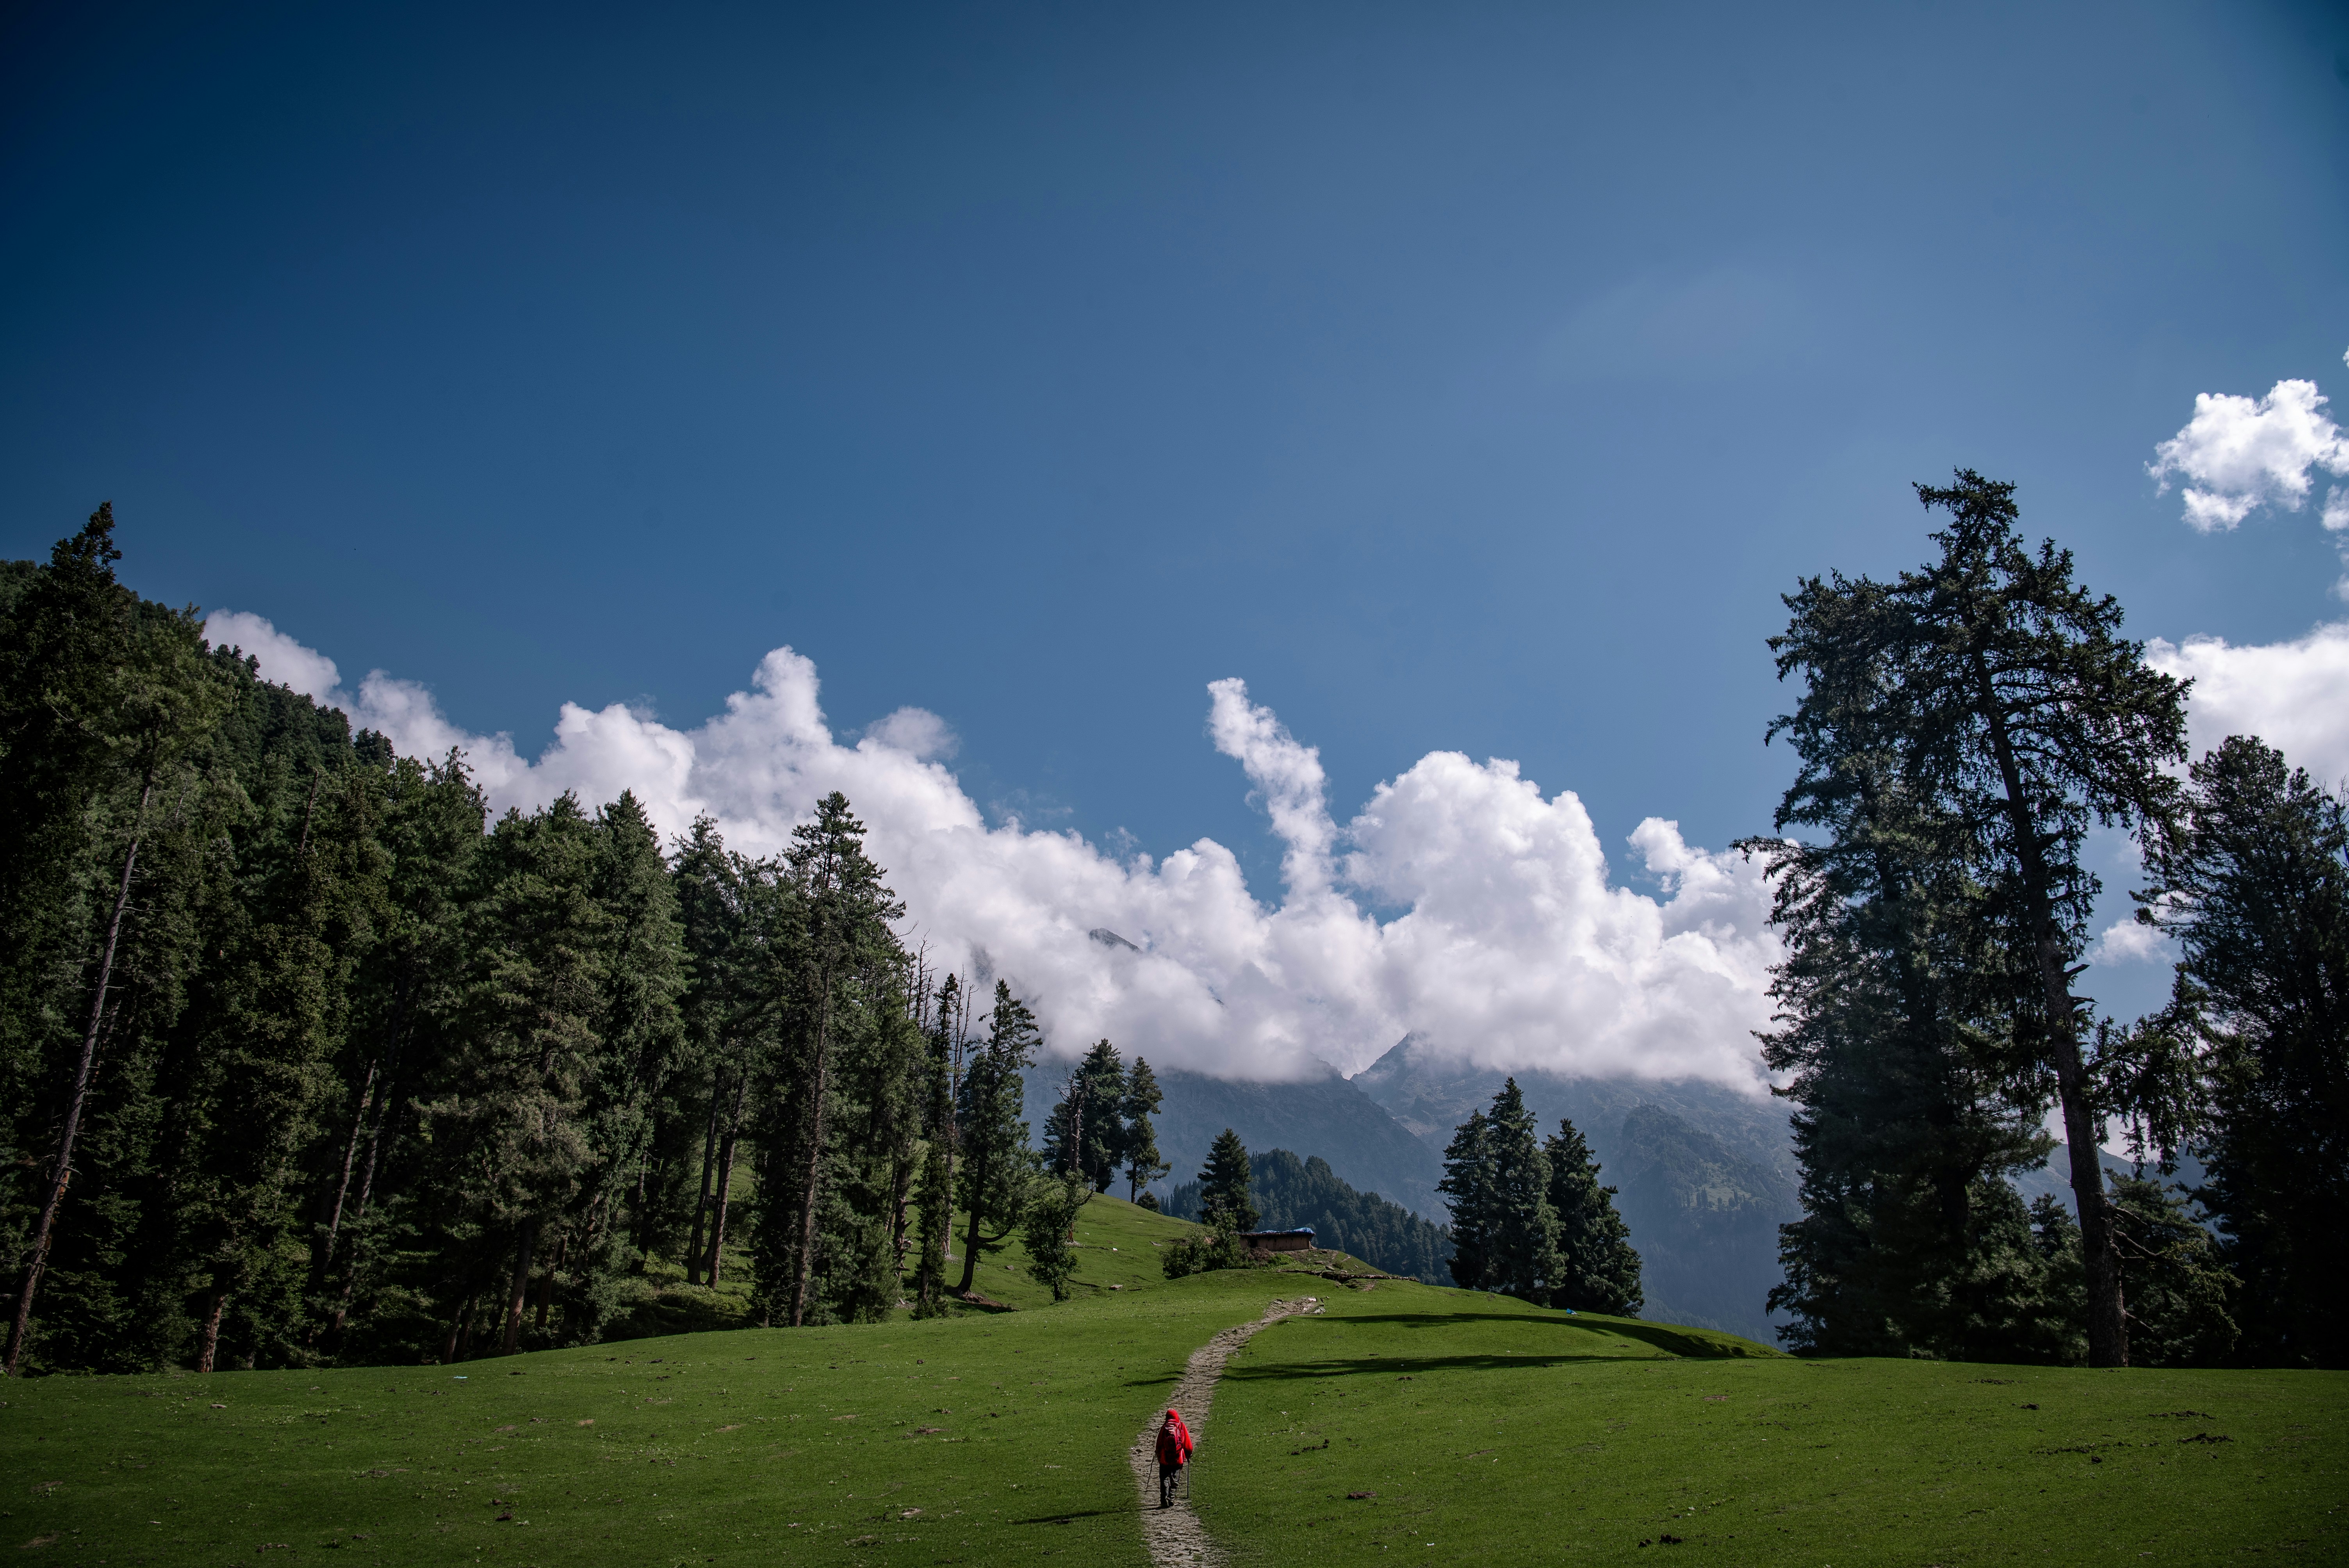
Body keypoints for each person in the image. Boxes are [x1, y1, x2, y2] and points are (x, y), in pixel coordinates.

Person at [1154, 1406, 1194, 1507]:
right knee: (1175, 1479)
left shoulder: (1164, 1427)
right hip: (1178, 1459)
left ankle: (1164, 1499)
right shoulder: (1181, 1426)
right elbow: (1188, 1445)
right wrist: (1188, 1455)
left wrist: (1158, 1454)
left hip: (1165, 1459)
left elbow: (1159, 1443)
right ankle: (1172, 1497)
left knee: (1164, 1478)